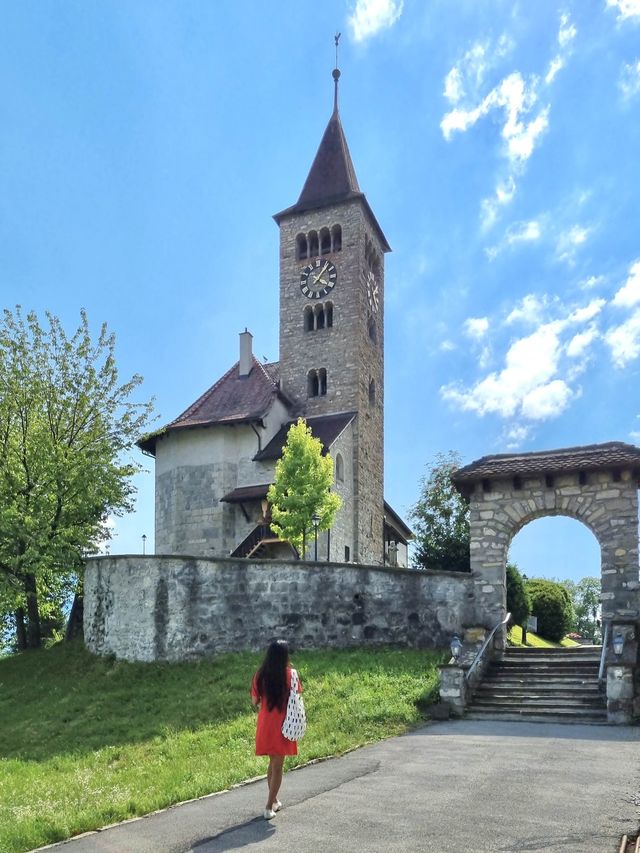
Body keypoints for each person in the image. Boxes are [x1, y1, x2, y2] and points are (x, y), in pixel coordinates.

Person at [251, 639, 303, 820]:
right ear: (285, 656)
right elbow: (296, 697)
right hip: (284, 725)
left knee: (273, 764)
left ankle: (274, 800)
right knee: (278, 767)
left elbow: (254, 702)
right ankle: (268, 807)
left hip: (266, 725)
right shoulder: (291, 675)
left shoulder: (260, 675)